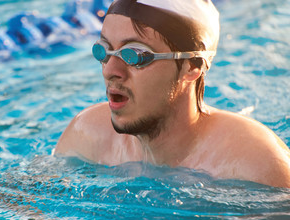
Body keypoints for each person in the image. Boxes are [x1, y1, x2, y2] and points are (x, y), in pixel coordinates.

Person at [55, 0, 290, 188]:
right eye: (105, 50)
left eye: (135, 55)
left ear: (192, 67)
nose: (110, 70)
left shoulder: (253, 164)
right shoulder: (86, 134)